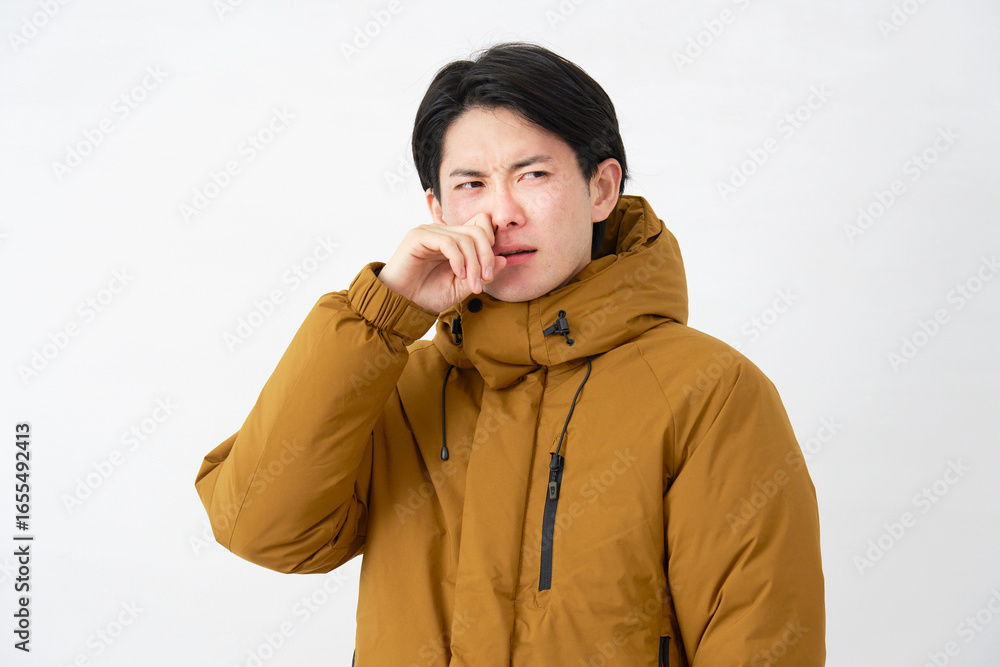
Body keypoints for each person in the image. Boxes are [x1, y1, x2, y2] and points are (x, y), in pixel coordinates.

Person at [195, 41, 825, 666]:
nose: (501, 212)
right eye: (471, 184)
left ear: (601, 188)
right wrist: (383, 312)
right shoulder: (395, 388)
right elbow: (262, 529)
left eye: (533, 175)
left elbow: (760, 644)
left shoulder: (706, 393)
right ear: (437, 210)